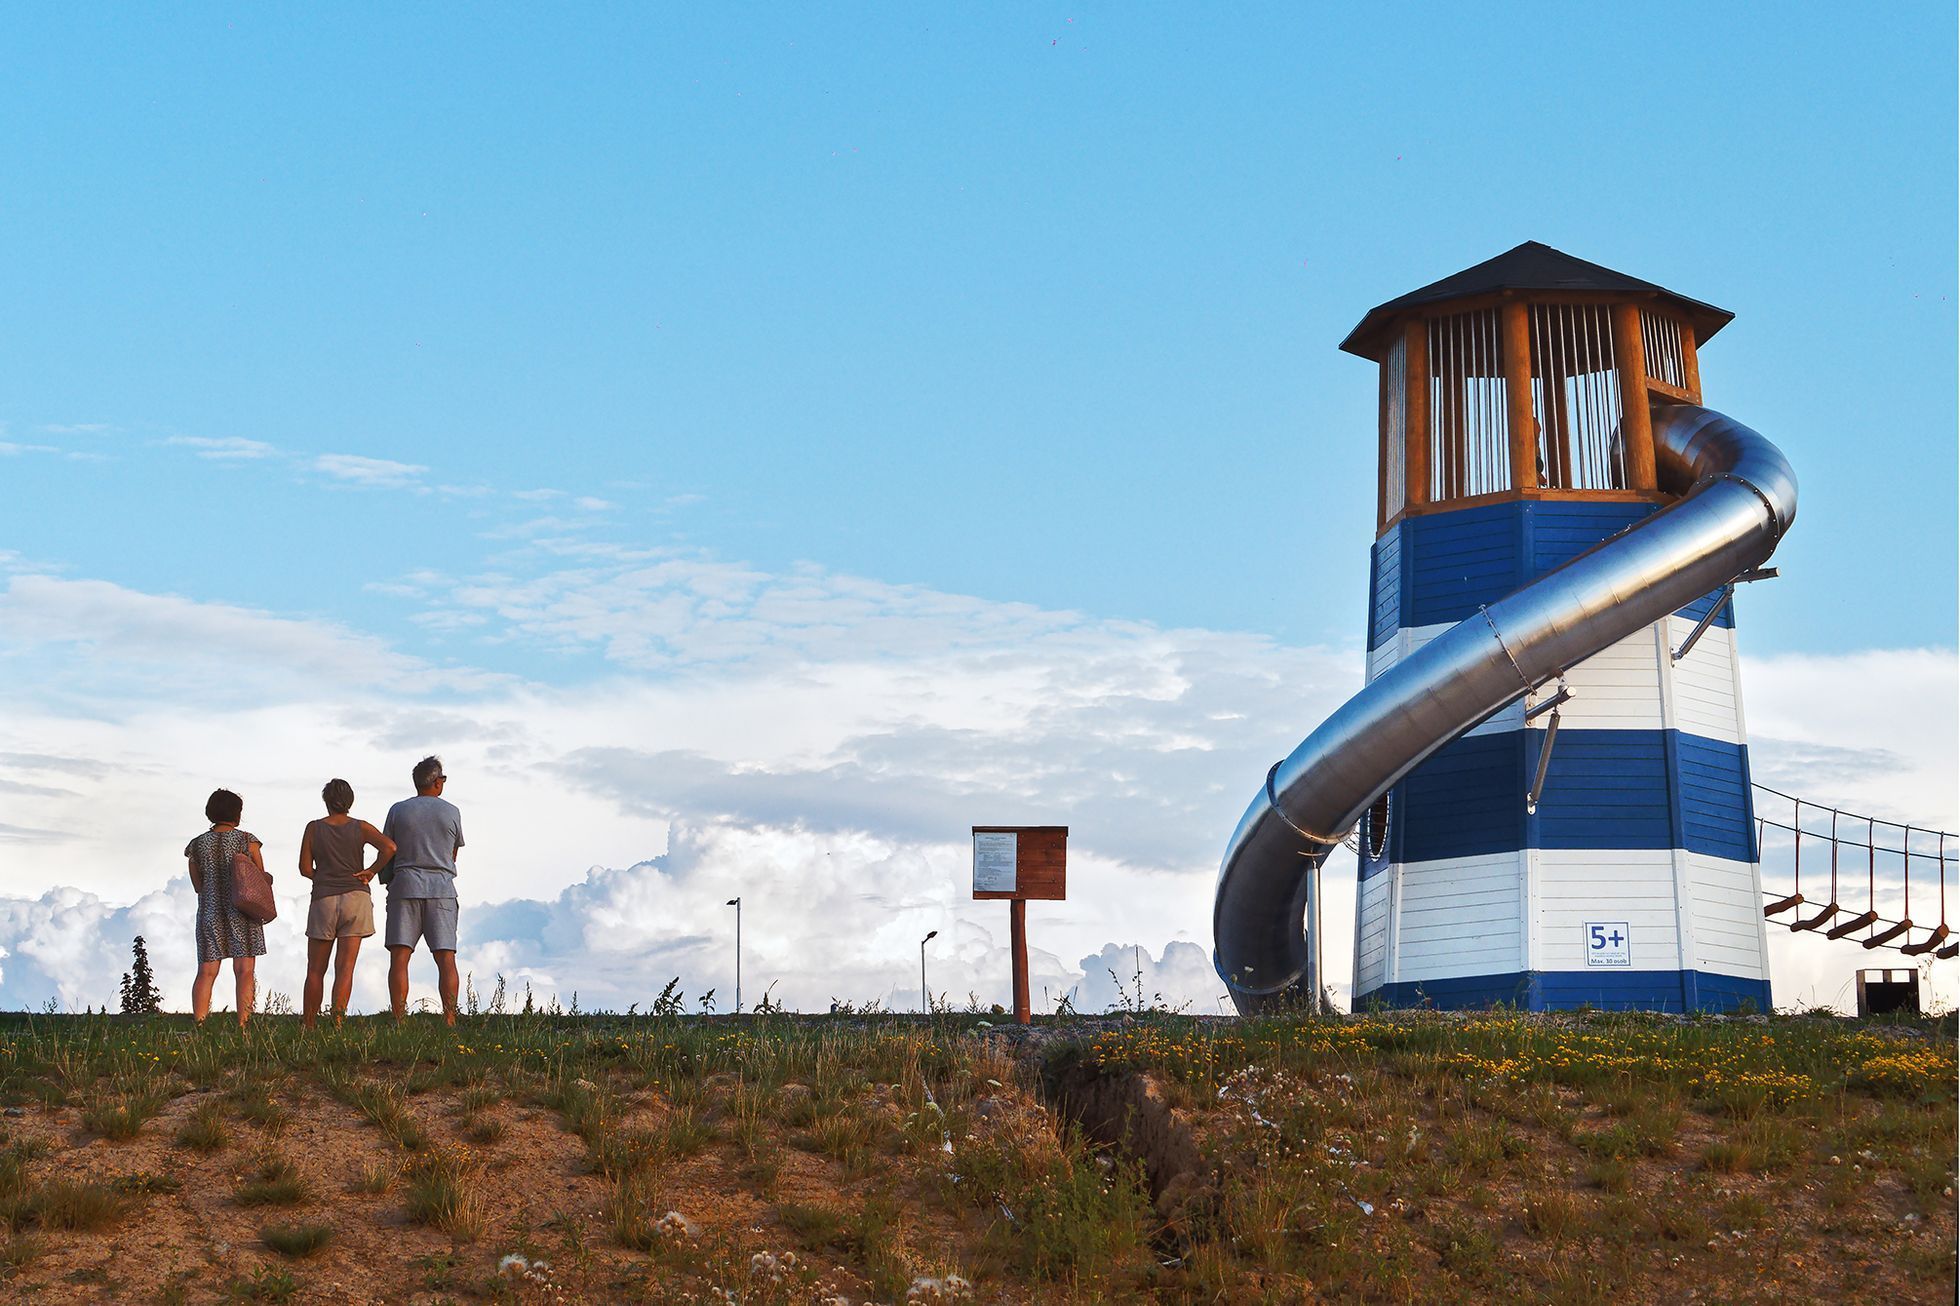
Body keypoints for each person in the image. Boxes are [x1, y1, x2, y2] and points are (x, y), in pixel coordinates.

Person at [297, 779, 396, 1029]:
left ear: (326, 801)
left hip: (324, 900)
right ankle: (338, 1022)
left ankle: (309, 1025)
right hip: (356, 898)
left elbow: (305, 868)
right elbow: (389, 847)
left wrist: (322, 875)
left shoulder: (313, 828)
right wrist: (371, 871)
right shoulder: (360, 827)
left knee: (315, 969)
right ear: (350, 801)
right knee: (345, 968)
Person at [381, 756, 465, 1024]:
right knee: (446, 958)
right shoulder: (451, 811)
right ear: (437, 782)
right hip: (441, 889)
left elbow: (388, 848)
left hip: (405, 886)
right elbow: (453, 853)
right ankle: (449, 1019)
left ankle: (399, 1018)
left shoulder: (398, 810)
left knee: (400, 957)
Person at [185, 788, 266, 1026]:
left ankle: (199, 1023)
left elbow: (197, 885)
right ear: (237, 814)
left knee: (206, 972)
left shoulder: (196, 845)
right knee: (244, 971)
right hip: (243, 910)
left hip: (210, 912)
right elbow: (259, 877)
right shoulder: (247, 841)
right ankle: (244, 1024)